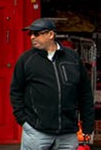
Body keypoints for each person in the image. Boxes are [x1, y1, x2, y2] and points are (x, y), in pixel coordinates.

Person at [11, 18, 94, 150]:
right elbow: (16, 91)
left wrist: (88, 126)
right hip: (36, 131)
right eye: (30, 34)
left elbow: (85, 93)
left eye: (37, 34)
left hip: (68, 133)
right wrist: (23, 121)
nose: (32, 37)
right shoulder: (26, 60)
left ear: (51, 34)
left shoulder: (72, 58)